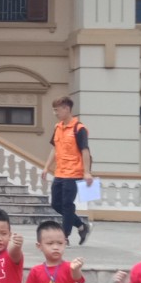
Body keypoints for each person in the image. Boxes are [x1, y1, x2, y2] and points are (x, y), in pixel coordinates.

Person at [42, 96, 94, 245]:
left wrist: (86, 172)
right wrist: (46, 167)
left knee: (67, 203)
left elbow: (85, 150)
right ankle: (81, 226)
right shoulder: (57, 127)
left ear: (66, 109)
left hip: (74, 172)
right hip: (60, 172)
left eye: (57, 110)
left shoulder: (79, 128)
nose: (55, 113)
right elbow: (55, 148)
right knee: (56, 204)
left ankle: (64, 236)